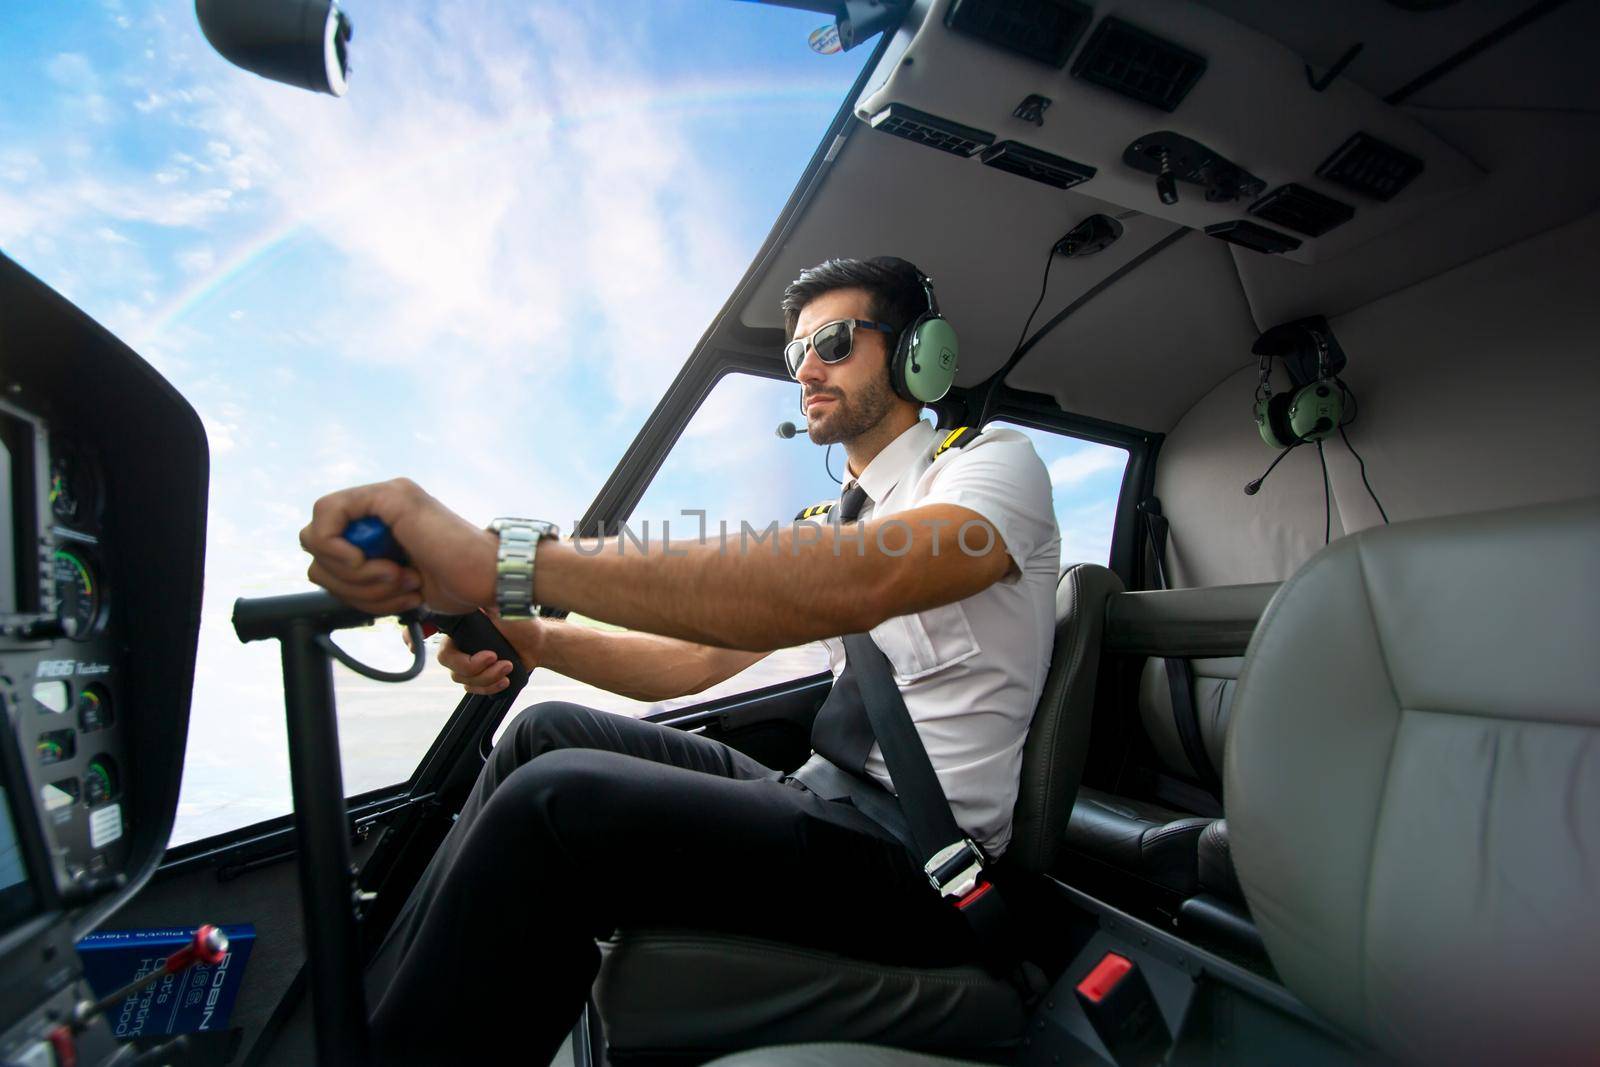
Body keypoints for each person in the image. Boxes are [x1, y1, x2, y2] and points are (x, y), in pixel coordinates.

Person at [299, 257, 1061, 1065]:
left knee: (554, 807)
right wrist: (541, 642)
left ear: (918, 352)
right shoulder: (831, 519)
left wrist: (508, 563)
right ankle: (364, 1033)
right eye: (795, 352)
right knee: (541, 734)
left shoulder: (991, 469)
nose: (805, 367)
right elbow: (695, 657)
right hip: (816, 795)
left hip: (923, 862)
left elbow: (868, 576)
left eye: (833, 342)